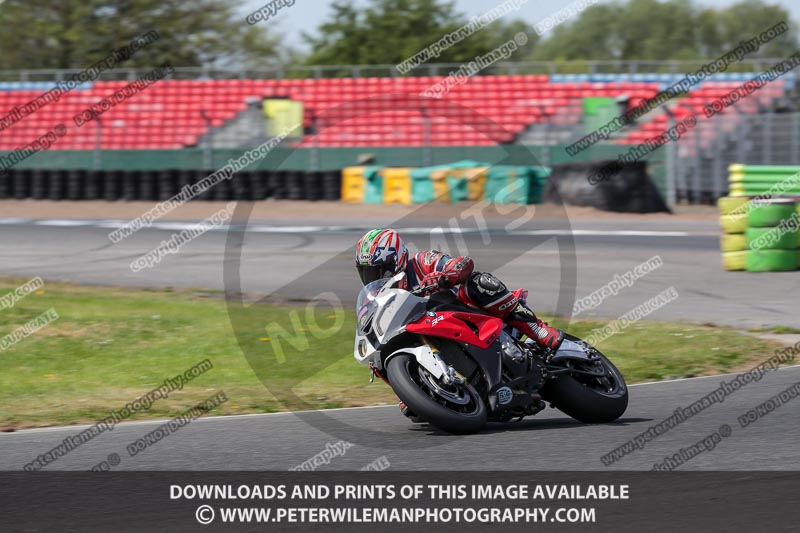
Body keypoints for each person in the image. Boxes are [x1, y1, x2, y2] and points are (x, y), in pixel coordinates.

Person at [355, 228, 564, 349]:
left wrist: (445, 276)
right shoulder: (381, 298)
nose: (375, 278)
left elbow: (463, 263)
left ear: (397, 259)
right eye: (368, 273)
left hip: (470, 317)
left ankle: (537, 329)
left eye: (380, 271)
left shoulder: (420, 262)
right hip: (437, 336)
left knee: (478, 282)